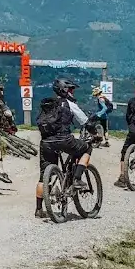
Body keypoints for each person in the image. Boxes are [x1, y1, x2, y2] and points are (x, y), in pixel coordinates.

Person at [35, 78, 93, 218]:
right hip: (64, 139)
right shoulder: (69, 104)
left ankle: (38, 209)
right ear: (65, 90)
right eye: (71, 89)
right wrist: (95, 134)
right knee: (86, 149)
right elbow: (85, 122)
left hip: (46, 142)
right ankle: (77, 178)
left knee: (43, 177)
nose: (73, 92)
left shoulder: (48, 104)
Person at [116, 84, 135, 187]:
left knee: (125, 152)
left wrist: (132, 126)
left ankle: (122, 178)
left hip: (134, 130)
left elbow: (128, 116)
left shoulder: (132, 101)